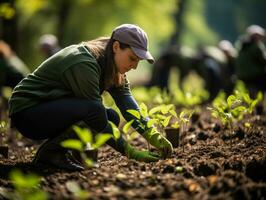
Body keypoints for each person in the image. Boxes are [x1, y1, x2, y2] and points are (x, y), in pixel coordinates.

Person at [8, 24, 173, 171]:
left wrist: (153, 135)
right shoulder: (85, 62)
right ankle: (51, 153)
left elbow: (128, 105)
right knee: (96, 112)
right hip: (28, 112)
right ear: (116, 46)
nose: (135, 66)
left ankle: (54, 155)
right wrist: (130, 152)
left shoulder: (113, 67)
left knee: (112, 117)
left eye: (138, 61)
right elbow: (96, 115)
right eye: (132, 58)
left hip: (49, 109)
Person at [235, 25, 266, 95]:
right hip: (255, 76)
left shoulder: (241, 45)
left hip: (243, 76)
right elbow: (263, 60)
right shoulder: (256, 47)